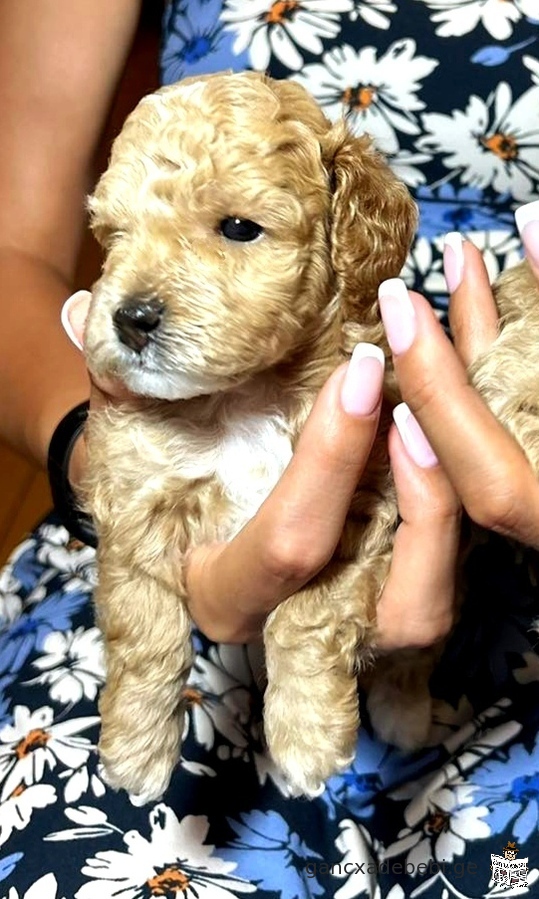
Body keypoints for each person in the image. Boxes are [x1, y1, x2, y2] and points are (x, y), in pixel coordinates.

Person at [0, 1, 537, 897]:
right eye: (117, 233)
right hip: (151, 553)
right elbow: (13, 246)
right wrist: (110, 461)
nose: (136, 285)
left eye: (239, 228)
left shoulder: (355, 223)